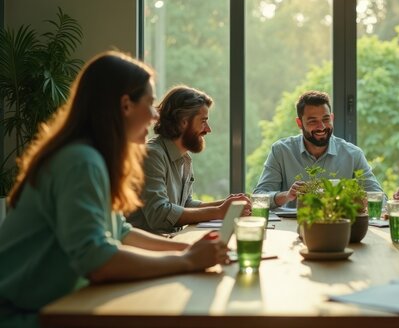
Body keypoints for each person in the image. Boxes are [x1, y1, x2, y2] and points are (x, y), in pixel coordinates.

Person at [0, 52, 229, 327]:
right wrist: (187, 261)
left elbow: (121, 232)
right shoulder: (80, 161)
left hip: (64, 306)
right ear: (125, 105)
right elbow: (97, 261)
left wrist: (188, 248)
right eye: (150, 103)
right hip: (25, 316)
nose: (156, 114)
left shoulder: (94, 157)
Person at [127, 86, 251, 234]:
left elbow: (186, 204)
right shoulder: (152, 155)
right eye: (203, 121)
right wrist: (219, 211)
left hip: (170, 242)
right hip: (147, 251)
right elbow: (159, 214)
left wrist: (227, 205)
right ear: (183, 122)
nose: (208, 129)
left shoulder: (184, 158)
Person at [253, 90, 383, 208]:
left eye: (326, 119)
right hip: (292, 229)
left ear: (332, 118)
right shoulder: (281, 151)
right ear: (299, 123)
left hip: (339, 226)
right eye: (312, 121)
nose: (321, 127)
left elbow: (379, 197)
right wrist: (286, 195)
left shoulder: (353, 154)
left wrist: (357, 198)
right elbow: (258, 197)